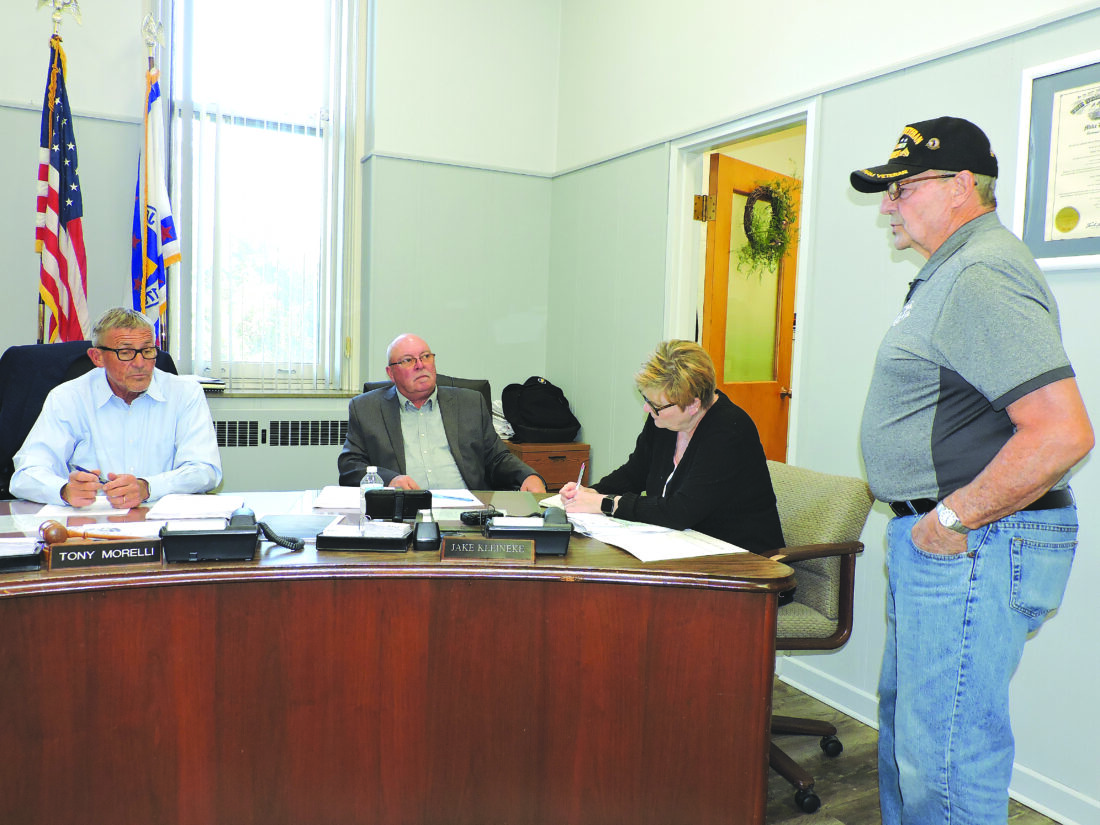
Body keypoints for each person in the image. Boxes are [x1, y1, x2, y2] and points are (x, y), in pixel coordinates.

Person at [851, 116, 1094, 824]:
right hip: (948, 541)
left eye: (901, 188)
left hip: (972, 543)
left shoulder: (981, 272)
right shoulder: (953, 270)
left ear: (961, 184)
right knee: (913, 739)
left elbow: (1062, 432)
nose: (888, 205)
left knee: (946, 760)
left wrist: (950, 521)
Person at [559, 340, 784, 555]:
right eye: (646, 399)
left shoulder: (729, 431)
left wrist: (606, 503)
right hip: (681, 547)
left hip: (740, 561)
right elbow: (635, 472)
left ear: (693, 404)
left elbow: (680, 511)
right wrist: (592, 492)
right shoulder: (665, 420)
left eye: (656, 405)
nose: (647, 409)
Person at [10, 307, 222, 508]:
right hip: (91, 520)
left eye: (147, 350)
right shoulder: (68, 397)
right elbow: (26, 474)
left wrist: (148, 487)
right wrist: (64, 490)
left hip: (159, 517)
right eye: (126, 353)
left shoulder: (185, 393)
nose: (140, 363)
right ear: (97, 357)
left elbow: (205, 470)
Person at [338, 333, 545, 492]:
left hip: (467, 511)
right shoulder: (366, 408)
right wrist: (389, 480)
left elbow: (497, 457)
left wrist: (528, 476)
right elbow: (350, 466)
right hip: (402, 511)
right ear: (391, 373)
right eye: (408, 360)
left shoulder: (470, 403)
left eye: (425, 356)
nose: (420, 365)